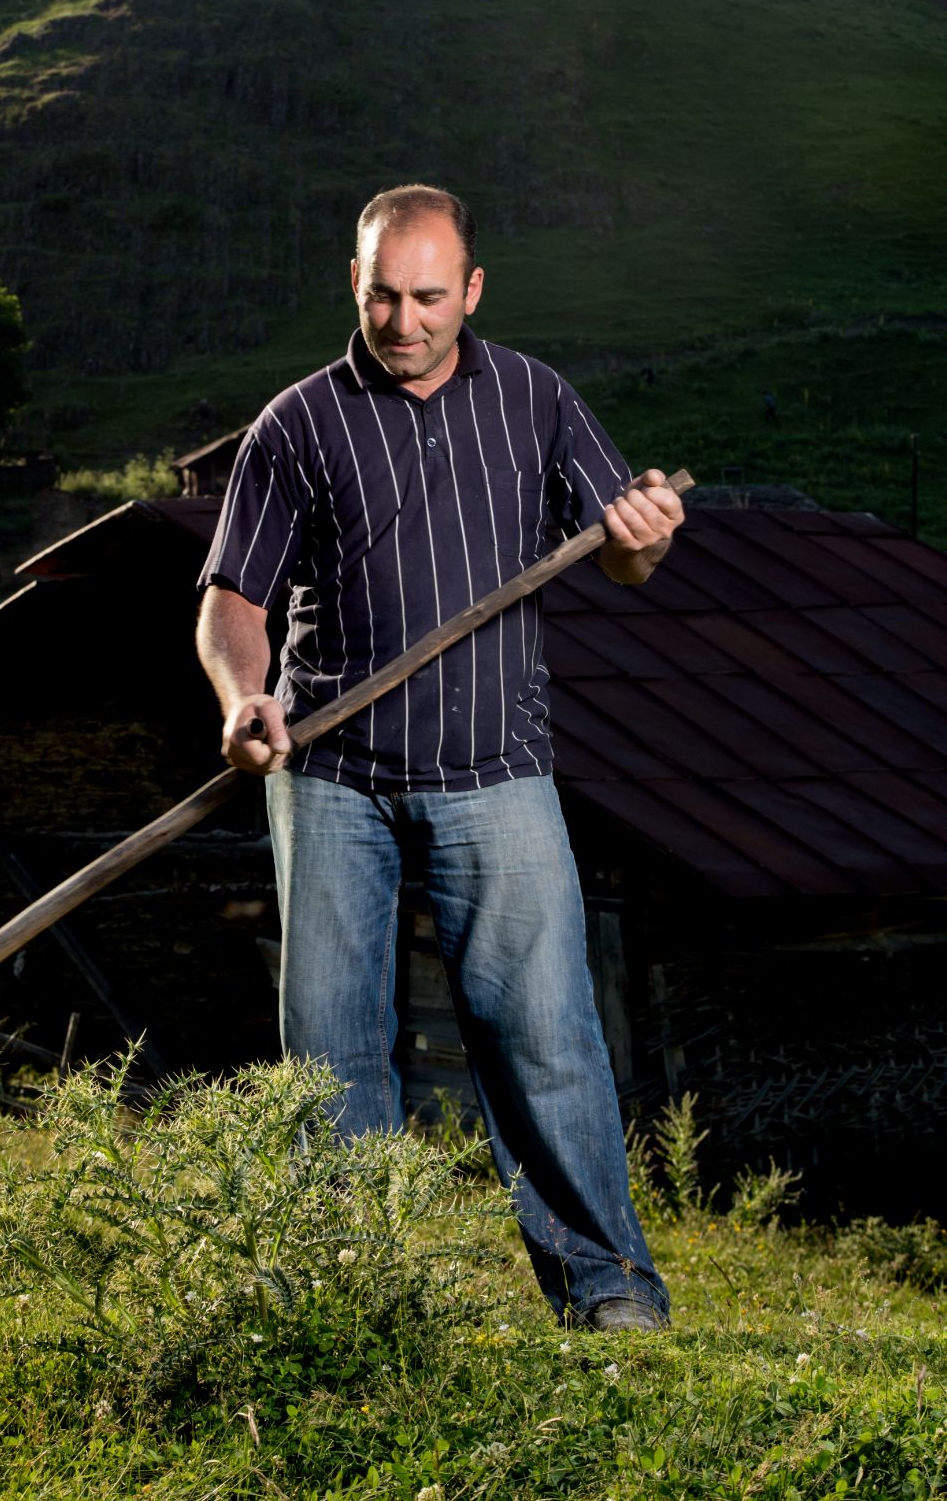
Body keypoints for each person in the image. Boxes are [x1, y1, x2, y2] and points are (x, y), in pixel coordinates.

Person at [195, 183, 685, 1331]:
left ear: (470, 289)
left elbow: (624, 556)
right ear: (354, 289)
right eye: (382, 295)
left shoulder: (538, 399)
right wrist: (244, 697)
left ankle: (608, 1291)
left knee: (545, 1040)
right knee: (331, 1055)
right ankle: (351, 1297)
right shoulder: (298, 423)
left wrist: (643, 542)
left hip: (495, 773)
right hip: (329, 775)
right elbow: (232, 601)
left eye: (427, 295)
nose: (403, 319)